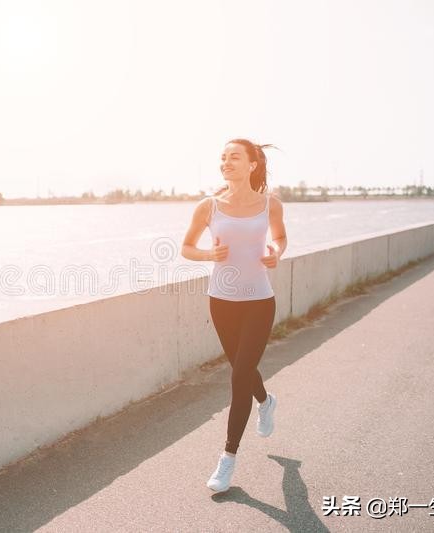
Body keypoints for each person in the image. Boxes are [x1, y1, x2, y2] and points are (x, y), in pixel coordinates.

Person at [181, 138, 288, 493]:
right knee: (243, 370)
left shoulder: (270, 205)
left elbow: (281, 238)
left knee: (240, 374)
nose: (226, 162)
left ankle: (227, 459)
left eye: (234, 157)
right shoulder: (208, 207)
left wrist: (276, 252)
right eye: (223, 158)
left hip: (259, 300)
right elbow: (186, 248)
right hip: (222, 301)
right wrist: (209, 256)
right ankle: (266, 401)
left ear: (253, 164)